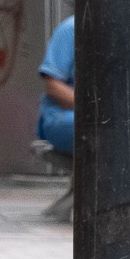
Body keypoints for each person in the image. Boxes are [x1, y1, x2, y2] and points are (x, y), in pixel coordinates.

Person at [37, 14, 76, 154]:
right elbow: (52, 86)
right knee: (101, 131)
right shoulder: (71, 28)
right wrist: (93, 108)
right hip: (63, 116)